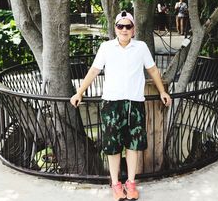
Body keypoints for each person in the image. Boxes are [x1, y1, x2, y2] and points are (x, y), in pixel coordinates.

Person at [70, 11, 171, 201]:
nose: (124, 29)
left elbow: (153, 70)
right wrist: (79, 92)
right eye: (120, 26)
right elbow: (94, 70)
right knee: (112, 146)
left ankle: (131, 183)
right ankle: (116, 184)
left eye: (128, 26)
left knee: (133, 146)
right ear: (115, 28)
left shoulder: (141, 47)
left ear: (133, 29)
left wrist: (162, 91)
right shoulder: (106, 47)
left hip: (135, 103)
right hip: (111, 104)